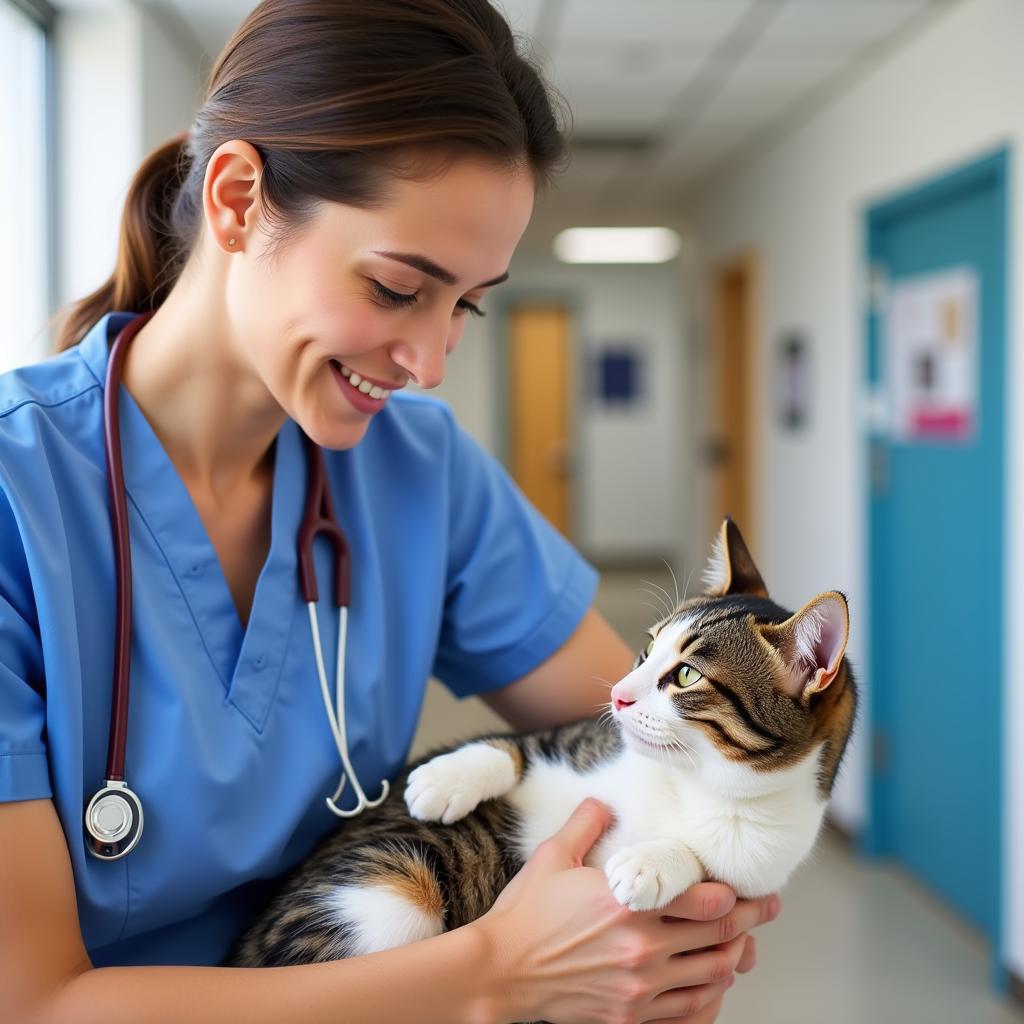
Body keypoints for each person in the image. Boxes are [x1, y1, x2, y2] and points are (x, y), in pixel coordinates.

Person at [0, 1, 779, 1021]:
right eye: (397, 287)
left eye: (465, 304)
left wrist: (679, 912)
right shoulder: (22, 500)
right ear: (237, 201)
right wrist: (497, 971)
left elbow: (636, 734)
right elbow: (34, 1001)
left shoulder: (418, 471)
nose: (429, 364)